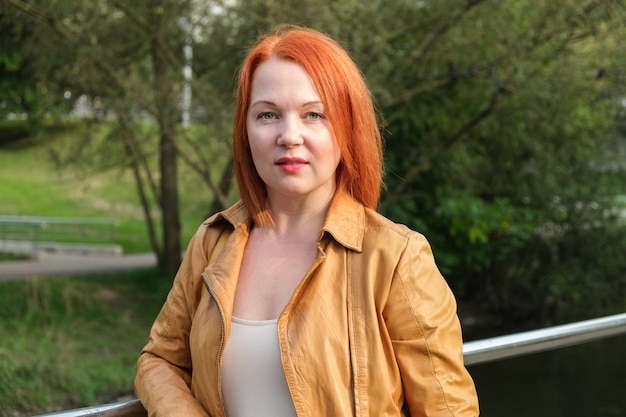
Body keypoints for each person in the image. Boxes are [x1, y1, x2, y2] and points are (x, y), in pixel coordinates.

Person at [135, 25, 479, 417]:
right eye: (267, 115)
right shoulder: (213, 242)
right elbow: (159, 359)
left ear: (346, 128)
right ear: (245, 130)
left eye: (313, 114)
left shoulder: (396, 257)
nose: (289, 135)